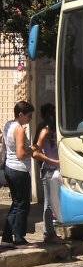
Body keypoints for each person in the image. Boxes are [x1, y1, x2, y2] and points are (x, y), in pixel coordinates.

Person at [1, 101, 38, 249]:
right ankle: (19, 238)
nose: (30, 120)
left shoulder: (8, 125)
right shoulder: (19, 130)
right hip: (19, 170)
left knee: (16, 204)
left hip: (10, 168)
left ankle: (7, 238)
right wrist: (33, 148)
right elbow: (21, 153)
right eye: (29, 116)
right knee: (22, 206)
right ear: (21, 114)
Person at [33, 103, 64, 244]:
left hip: (58, 169)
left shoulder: (56, 129)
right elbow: (35, 153)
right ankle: (49, 233)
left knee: (57, 200)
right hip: (49, 170)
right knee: (49, 202)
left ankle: (56, 228)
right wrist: (53, 161)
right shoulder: (44, 130)